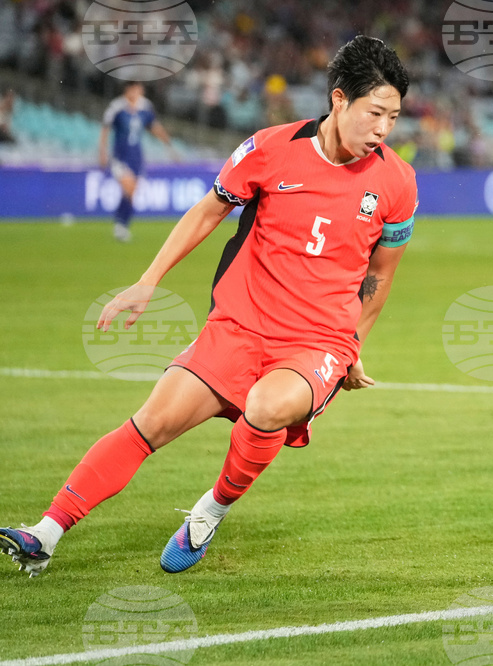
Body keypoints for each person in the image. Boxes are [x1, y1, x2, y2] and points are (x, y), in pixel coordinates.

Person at [1, 35, 417, 577]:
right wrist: (148, 280)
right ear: (339, 100)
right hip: (239, 327)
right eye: (375, 113)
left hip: (317, 343)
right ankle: (45, 532)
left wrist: (352, 344)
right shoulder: (270, 149)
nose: (384, 130)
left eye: (394, 117)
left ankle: (209, 510)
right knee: (152, 421)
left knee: (267, 407)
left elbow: (380, 276)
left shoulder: (397, 182)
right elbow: (206, 212)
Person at [98, 81, 176, 242]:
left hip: (136, 156)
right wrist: (102, 151)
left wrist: (168, 144)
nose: (139, 92)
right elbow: (105, 128)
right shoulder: (117, 107)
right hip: (120, 156)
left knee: (132, 191)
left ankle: (122, 224)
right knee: (129, 186)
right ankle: (120, 224)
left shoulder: (145, 107)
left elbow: (154, 126)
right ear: (128, 89)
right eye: (137, 89)